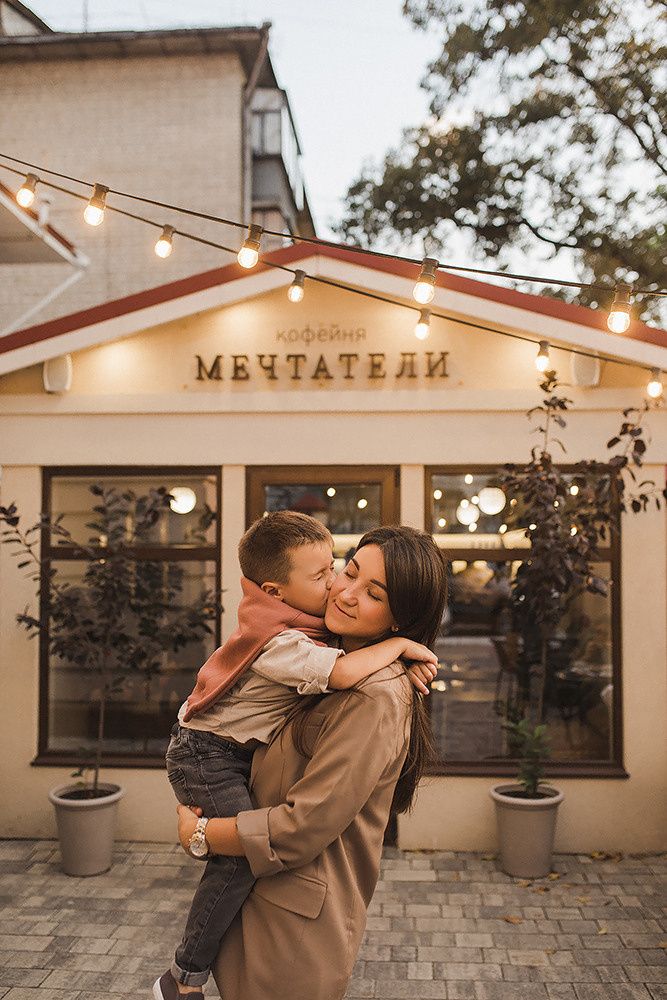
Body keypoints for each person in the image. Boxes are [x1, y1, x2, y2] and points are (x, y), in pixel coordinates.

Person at [155, 514, 439, 1000]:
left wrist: (200, 834)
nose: (345, 592)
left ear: (400, 620)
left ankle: (181, 979)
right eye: (349, 572)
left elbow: (303, 825)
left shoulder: (372, 693)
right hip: (268, 902)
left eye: (376, 593)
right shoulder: (317, 648)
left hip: (295, 927)